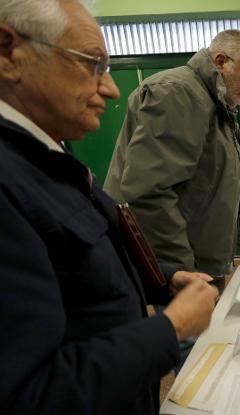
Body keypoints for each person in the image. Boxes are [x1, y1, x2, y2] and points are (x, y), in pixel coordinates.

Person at [0, 1, 219, 414]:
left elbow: (81, 263)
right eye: (92, 64)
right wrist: (171, 329)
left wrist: (163, 280)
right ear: (9, 53)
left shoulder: (45, 157)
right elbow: (31, 394)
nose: (112, 88)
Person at [104, 29, 240, 290]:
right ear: (221, 62)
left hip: (201, 260)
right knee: (189, 331)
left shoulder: (214, 101)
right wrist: (181, 272)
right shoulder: (179, 92)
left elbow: (203, 170)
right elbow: (151, 192)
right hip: (184, 266)